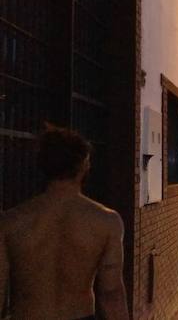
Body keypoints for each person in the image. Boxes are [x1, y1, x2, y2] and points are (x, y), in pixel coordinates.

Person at [0, 125, 129, 320]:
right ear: (85, 164)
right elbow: (111, 293)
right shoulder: (106, 221)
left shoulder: (12, 221)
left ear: (42, 165)